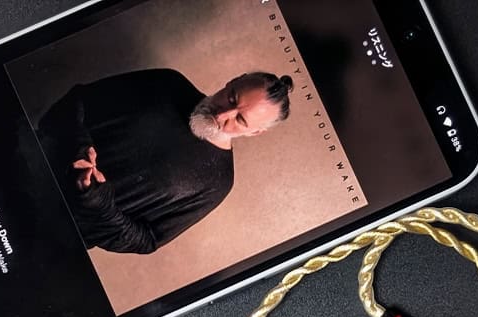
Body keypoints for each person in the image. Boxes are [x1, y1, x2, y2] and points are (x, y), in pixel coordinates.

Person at [36, 68, 294, 254]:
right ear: (233, 81)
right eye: (232, 98)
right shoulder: (169, 83)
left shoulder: (219, 182)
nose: (223, 114)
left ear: (255, 132)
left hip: (51, 238)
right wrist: (80, 147)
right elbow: (78, 101)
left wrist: (99, 205)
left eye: (240, 119)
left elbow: (146, 240)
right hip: (27, 159)